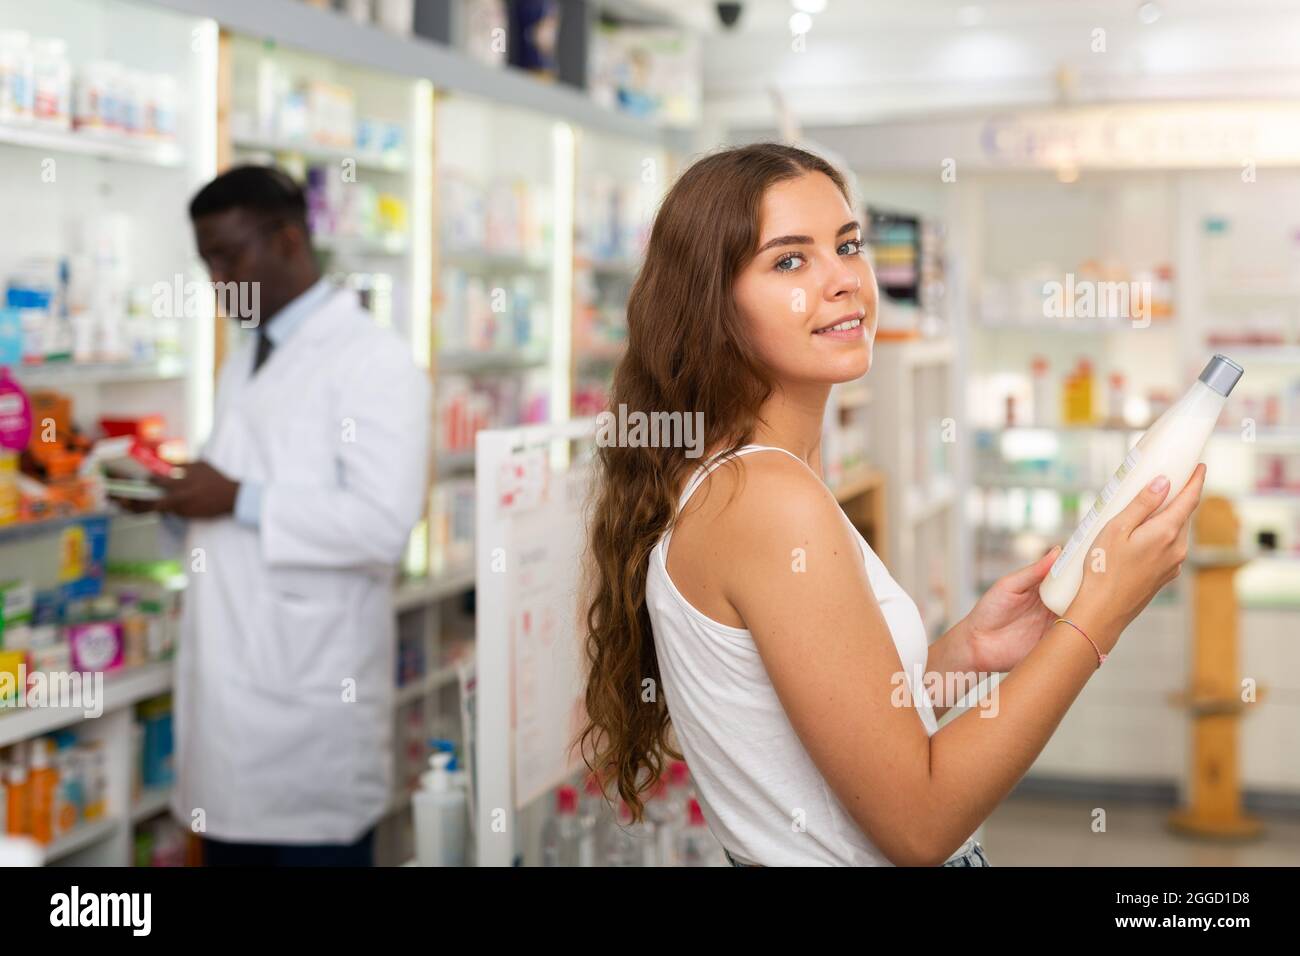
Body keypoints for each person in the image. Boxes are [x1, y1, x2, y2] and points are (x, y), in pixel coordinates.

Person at [579, 143, 1202, 867]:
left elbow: (846, 744)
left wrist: (970, 653)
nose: (843, 279)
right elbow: (919, 823)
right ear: (712, 306)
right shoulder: (766, 502)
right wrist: (1100, 617)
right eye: (789, 261)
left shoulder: (752, 482)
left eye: (847, 246)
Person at [124, 165, 431, 865]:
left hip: (310, 733)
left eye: (228, 256)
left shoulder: (373, 360)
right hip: (230, 720)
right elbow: (235, 497)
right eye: (206, 261)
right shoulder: (246, 356)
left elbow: (384, 525)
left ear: (289, 240)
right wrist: (169, 499)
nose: (216, 278)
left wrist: (237, 498)